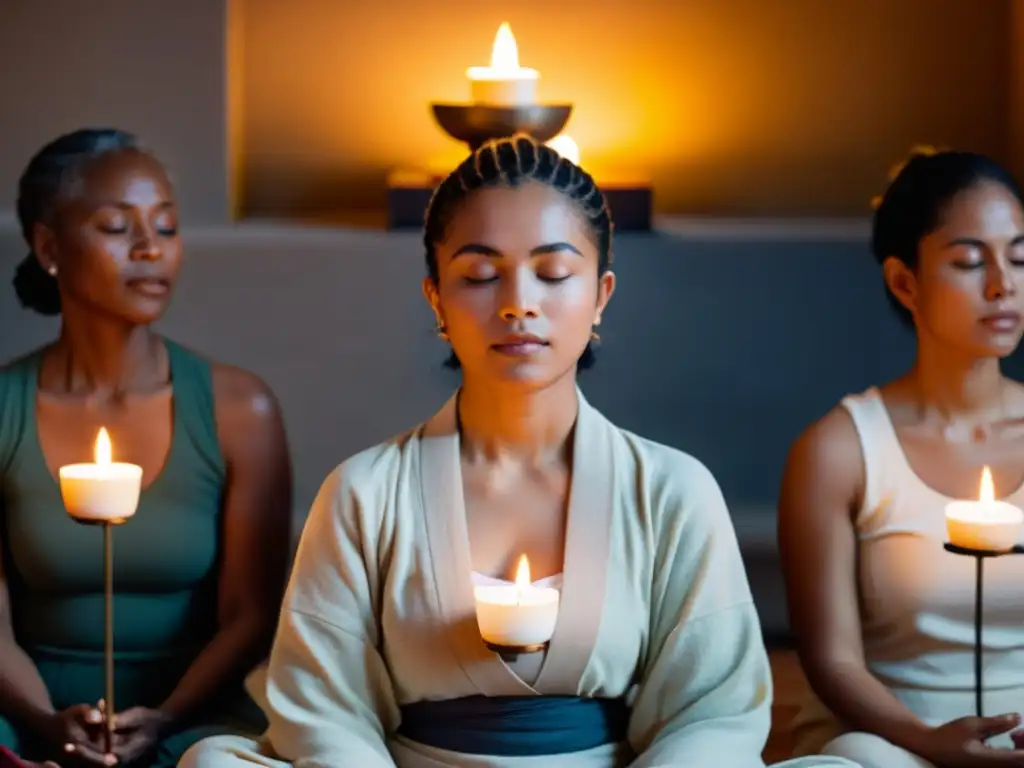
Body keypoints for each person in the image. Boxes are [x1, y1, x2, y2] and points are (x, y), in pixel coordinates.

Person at [181, 134, 857, 768]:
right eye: (479, 276)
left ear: (600, 296)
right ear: (437, 300)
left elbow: (712, 712)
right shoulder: (365, 491)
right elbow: (323, 712)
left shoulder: (672, 489)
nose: (517, 305)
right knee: (210, 760)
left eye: (554, 272)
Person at [0, 129, 293, 767]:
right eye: (116, 227)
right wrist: (46, 723)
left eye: (165, 227)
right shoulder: (3, 410)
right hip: (24, 719)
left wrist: (163, 721)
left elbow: (251, 614)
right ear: (49, 247)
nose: (149, 249)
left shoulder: (241, 410)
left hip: (192, 718)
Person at [778, 147, 1024, 768]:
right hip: (895, 746)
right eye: (970, 262)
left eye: (1019, 257)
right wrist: (926, 742)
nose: (1003, 284)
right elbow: (831, 661)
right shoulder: (838, 449)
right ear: (904, 281)